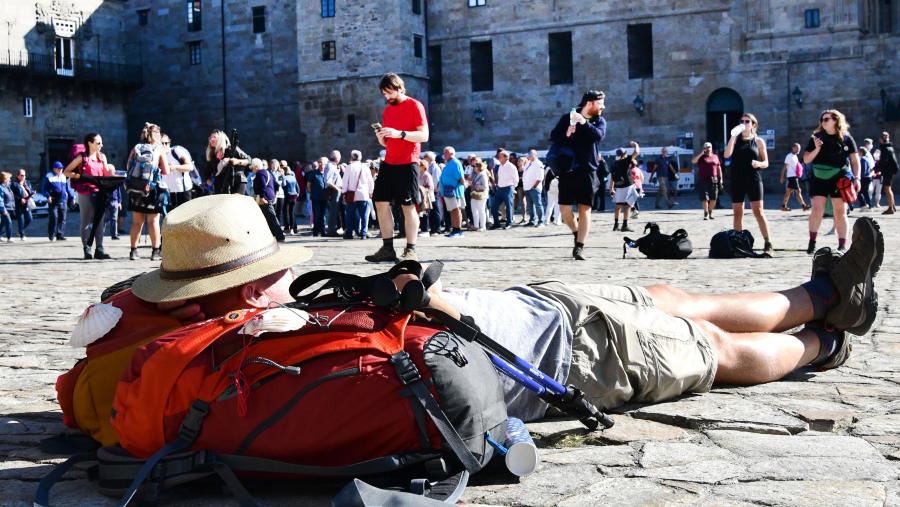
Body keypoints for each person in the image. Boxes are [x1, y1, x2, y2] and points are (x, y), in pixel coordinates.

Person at [112, 194, 883, 425]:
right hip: (559, 360)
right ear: (241, 287)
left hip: (535, 306)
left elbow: (108, 329)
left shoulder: (263, 319)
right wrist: (423, 294)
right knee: (707, 347)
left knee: (673, 295)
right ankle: (823, 341)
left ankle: (824, 293)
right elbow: (424, 355)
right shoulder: (268, 349)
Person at [367, 73, 429, 263]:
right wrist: (382, 138)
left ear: (400, 88)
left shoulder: (415, 105)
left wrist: (399, 133)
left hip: (408, 162)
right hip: (389, 162)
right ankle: (387, 248)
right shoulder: (387, 111)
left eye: (389, 92)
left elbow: (423, 136)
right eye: (384, 94)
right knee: (380, 202)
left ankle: (411, 249)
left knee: (408, 206)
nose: (387, 97)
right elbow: (389, 141)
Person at [549, 90, 607, 261]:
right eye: (601, 103)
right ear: (590, 103)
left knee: (585, 209)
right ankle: (576, 232)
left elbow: (598, 136)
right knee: (564, 210)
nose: (603, 107)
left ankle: (579, 247)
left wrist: (584, 123)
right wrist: (566, 132)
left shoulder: (599, 121)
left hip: (588, 171)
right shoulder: (568, 117)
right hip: (568, 170)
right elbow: (554, 136)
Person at [803, 109, 860, 254]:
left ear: (836, 120)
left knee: (840, 212)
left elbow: (855, 160)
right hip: (819, 176)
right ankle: (812, 242)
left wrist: (857, 178)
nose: (824, 122)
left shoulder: (846, 138)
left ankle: (842, 245)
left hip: (839, 177)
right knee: (817, 210)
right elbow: (806, 159)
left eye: (827, 119)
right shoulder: (816, 137)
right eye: (822, 119)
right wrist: (817, 148)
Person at [723, 113, 774, 256]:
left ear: (753, 124)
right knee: (737, 213)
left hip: (753, 179)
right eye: (742, 121)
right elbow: (727, 155)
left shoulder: (758, 141)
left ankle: (768, 242)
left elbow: (766, 162)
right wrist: (733, 136)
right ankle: (739, 243)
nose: (744, 123)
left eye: (747, 121)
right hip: (737, 180)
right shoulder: (735, 139)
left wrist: (759, 163)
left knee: (758, 212)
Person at [64, 132, 116, 260]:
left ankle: (99, 248)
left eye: (101, 143)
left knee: (100, 221)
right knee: (86, 221)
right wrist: (80, 176)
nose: (101, 145)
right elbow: (67, 171)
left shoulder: (102, 157)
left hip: (100, 193)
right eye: (98, 143)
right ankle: (87, 248)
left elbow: (105, 175)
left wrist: (104, 163)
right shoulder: (82, 158)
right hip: (85, 192)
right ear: (90, 143)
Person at [125, 123, 170, 261]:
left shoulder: (137, 147)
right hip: (151, 189)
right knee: (153, 221)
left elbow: (128, 166)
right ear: (156, 135)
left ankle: (133, 251)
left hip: (135, 188)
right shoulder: (159, 149)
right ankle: (155, 251)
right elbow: (166, 171)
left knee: (136, 222)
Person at [250, 158, 286, 242]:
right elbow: (276, 185)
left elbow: (263, 185)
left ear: (256, 167)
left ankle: (280, 236)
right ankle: (272, 236)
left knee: (271, 218)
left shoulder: (260, 173)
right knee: (268, 218)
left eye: (252, 167)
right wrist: (273, 195)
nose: (251, 169)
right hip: (269, 197)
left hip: (264, 199)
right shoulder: (268, 172)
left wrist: (262, 197)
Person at [341, 150, 374, 240]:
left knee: (350, 215)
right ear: (360, 157)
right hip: (363, 194)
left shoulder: (349, 167)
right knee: (364, 215)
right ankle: (363, 233)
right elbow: (370, 181)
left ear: (352, 157)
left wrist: (344, 193)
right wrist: (371, 192)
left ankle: (349, 233)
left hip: (352, 195)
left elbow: (345, 182)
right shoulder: (365, 167)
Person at [206, 130, 251, 195]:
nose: (211, 139)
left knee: (235, 203)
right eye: (210, 137)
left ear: (221, 138)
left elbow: (249, 160)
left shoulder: (231, 149)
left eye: (214, 137)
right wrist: (210, 182)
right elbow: (207, 174)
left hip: (236, 181)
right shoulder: (211, 154)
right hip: (221, 186)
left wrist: (237, 161)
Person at [610, 143, 640, 232]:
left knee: (618, 206)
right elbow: (637, 152)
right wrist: (636, 144)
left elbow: (612, 177)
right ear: (624, 154)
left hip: (619, 187)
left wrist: (611, 188)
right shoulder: (625, 160)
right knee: (627, 206)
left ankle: (616, 225)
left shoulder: (614, 163)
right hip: (627, 186)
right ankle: (625, 225)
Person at [161, 134, 195, 212]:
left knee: (184, 217)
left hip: (182, 191)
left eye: (166, 143)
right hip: (168, 192)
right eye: (161, 143)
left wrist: (175, 167)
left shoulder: (176, 151)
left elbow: (190, 167)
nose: (164, 145)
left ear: (169, 143)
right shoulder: (159, 156)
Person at [41, 161, 72, 241]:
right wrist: (48, 196)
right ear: (54, 169)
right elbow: (44, 188)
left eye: (61, 168)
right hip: (53, 200)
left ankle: (60, 235)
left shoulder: (63, 176)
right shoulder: (49, 176)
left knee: (62, 218)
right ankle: (51, 235)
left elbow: (67, 189)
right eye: (59, 168)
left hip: (63, 200)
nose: (61, 170)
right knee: (54, 217)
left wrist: (72, 197)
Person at [440, 146, 466, 238]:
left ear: (451, 154)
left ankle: (458, 230)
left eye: (445, 153)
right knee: (452, 210)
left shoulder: (455, 163)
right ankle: (454, 229)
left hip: (454, 191)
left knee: (456, 210)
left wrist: (458, 188)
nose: (444, 155)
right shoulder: (449, 163)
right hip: (448, 191)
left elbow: (461, 179)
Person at [693, 142, 722, 220]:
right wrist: (701, 154)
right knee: (705, 198)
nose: (707, 148)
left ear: (711, 148)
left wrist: (721, 179)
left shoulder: (715, 156)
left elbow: (719, 168)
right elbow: (693, 161)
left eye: (709, 147)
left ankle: (710, 211)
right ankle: (705, 213)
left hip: (714, 179)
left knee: (714, 198)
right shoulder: (701, 157)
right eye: (705, 147)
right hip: (703, 179)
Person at [490, 150, 518, 230]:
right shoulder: (500, 166)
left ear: (506, 158)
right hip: (500, 189)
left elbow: (516, 179)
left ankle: (509, 223)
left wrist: (513, 188)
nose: (498, 158)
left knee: (509, 207)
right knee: (494, 206)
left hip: (508, 188)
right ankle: (496, 223)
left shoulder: (511, 167)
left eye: (500, 157)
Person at [780, 143, 810, 212]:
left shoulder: (795, 156)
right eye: (797, 148)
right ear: (793, 148)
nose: (798, 150)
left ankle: (783, 206)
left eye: (799, 148)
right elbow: (784, 167)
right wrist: (782, 176)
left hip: (794, 176)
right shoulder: (789, 156)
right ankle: (803, 205)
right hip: (792, 177)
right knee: (798, 191)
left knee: (788, 192)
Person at [875, 132, 898, 215]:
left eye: (880, 139)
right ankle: (893, 206)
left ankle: (890, 208)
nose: (879, 140)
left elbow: (884, 161)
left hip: (887, 171)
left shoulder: (885, 149)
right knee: (888, 188)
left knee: (887, 189)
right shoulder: (888, 147)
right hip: (889, 171)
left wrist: (876, 169)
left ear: (882, 139)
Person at [522, 149, 545, 227]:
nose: (529, 156)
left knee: (538, 205)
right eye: (529, 155)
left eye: (531, 155)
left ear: (535, 155)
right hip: (527, 188)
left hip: (534, 188)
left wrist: (534, 186)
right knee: (530, 205)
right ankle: (532, 220)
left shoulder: (539, 164)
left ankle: (541, 221)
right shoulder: (528, 163)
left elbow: (540, 177)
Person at [10, 169, 35, 241]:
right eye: (22, 175)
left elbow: (30, 190)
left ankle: (20, 230)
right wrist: (20, 199)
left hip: (27, 203)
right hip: (19, 204)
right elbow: (12, 195)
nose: (24, 177)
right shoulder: (14, 184)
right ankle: (22, 235)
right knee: (21, 219)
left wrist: (32, 193)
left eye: (24, 175)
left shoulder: (27, 183)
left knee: (29, 219)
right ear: (18, 176)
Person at [307, 160, 327, 237]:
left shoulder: (326, 173)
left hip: (324, 198)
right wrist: (312, 193)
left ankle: (322, 231)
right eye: (320, 163)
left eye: (323, 164)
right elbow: (308, 185)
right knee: (317, 215)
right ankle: (315, 231)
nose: (322, 165)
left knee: (323, 215)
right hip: (316, 198)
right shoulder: (314, 173)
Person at [469, 159, 490, 231]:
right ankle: (476, 225)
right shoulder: (475, 174)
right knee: (474, 210)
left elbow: (485, 187)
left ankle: (483, 226)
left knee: (481, 210)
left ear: (478, 167)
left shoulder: (483, 175)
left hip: (481, 195)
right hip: (474, 194)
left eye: (474, 166)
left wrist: (475, 186)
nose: (473, 167)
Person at [417, 159, 435, 236]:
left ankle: (425, 230)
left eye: (419, 165)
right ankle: (423, 229)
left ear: (424, 167)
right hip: (421, 197)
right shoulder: (419, 174)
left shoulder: (427, 175)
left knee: (425, 214)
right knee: (421, 214)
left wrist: (421, 187)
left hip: (427, 198)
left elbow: (431, 187)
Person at [282, 166, 300, 235]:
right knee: (292, 212)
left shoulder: (284, 177)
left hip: (288, 195)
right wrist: (297, 193)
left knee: (285, 211)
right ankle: (292, 229)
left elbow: (283, 185)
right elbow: (297, 187)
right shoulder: (293, 177)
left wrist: (282, 177)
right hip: (294, 196)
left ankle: (287, 228)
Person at [0, 172, 15, 242]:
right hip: (4, 208)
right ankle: (9, 238)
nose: (10, 180)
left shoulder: (7, 186)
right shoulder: (1, 188)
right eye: (9, 178)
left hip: (8, 207)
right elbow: (0, 199)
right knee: (9, 222)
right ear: (4, 179)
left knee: (2, 222)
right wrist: (3, 209)